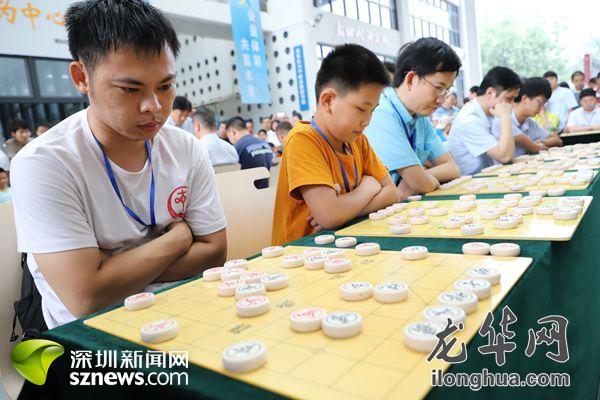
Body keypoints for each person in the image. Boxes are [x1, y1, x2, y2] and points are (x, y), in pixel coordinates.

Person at [10, 0, 227, 330]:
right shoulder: (44, 163)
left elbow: (214, 251)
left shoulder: (185, 148)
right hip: (95, 339)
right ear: (82, 77)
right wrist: (178, 240)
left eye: (165, 86)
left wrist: (115, 268)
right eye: (130, 89)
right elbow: (87, 297)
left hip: (186, 313)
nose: (153, 106)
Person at [271, 44, 398, 245]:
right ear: (328, 101)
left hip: (344, 243)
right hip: (301, 251)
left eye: (373, 110)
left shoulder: (358, 140)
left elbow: (392, 193)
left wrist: (343, 211)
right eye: (361, 109)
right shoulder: (302, 139)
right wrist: (369, 187)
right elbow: (330, 216)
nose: (367, 121)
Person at [365, 37, 461, 199]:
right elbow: (421, 184)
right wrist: (422, 180)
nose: (441, 99)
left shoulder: (419, 116)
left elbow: (453, 169)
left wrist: (420, 177)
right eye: (438, 88)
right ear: (411, 80)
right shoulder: (381, 112)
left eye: (446, 90)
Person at [448, 66, 521, 175]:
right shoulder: (469, 118)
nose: (511, 105)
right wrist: (505, 117)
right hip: (470, 180)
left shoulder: (492, 112)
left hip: (488, 175)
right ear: (490, 92)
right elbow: (505, 157)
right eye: (509, 99)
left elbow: (509, 153)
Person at [492, 77, 562, 157]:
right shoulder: (504, 119)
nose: (542, 108)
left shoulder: (529, 122)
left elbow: (557, 140)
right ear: (524, 99)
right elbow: (533, 147)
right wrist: (539, 146)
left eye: (544, 104)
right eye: (540, 102)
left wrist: (542, 142)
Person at [226, 116, 273, 188]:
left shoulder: (237, 147)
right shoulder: (264, 143)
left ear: (233, 132)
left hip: (252, 191)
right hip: (272, 189)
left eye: (228, 136)